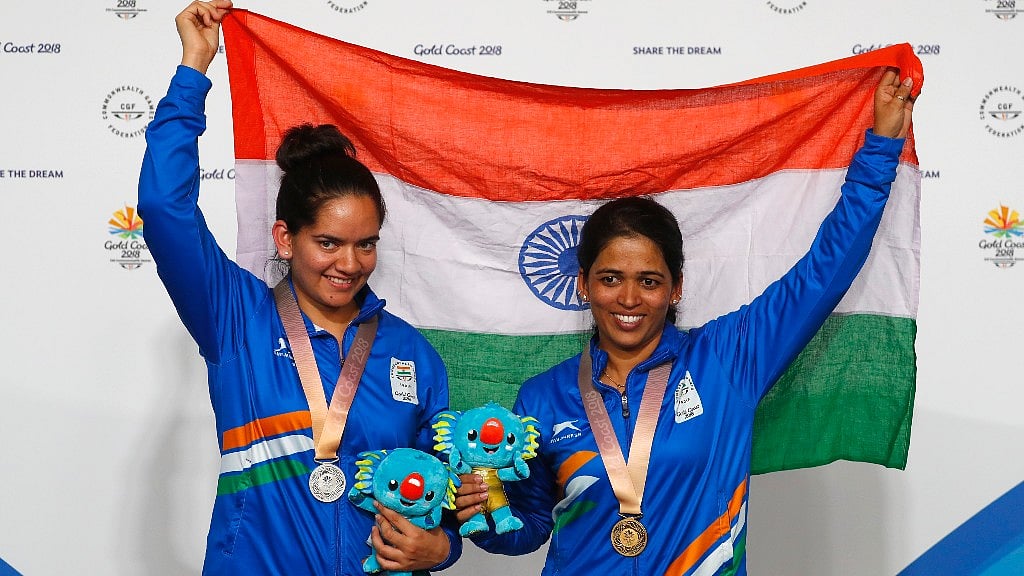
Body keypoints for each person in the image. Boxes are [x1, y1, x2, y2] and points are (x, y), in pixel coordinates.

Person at [455, 70, 917, 574]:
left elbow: (823, 273)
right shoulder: (544, 396)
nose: (628, 298)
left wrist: (880, 149)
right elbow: (530, 528)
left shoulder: (728, 359)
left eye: (649, 281)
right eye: (610, 279)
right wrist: (487, 511)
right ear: (583, 285)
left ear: (676, 288)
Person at [138, 2, 461, 574]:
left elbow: (443, 496)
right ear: (285, 239)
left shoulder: (412, 354)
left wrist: (444, 548)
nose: (350, 263)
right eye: (329, 243)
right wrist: (193, 70)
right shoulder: (236, 318)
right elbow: (165, 208)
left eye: (367, 243)